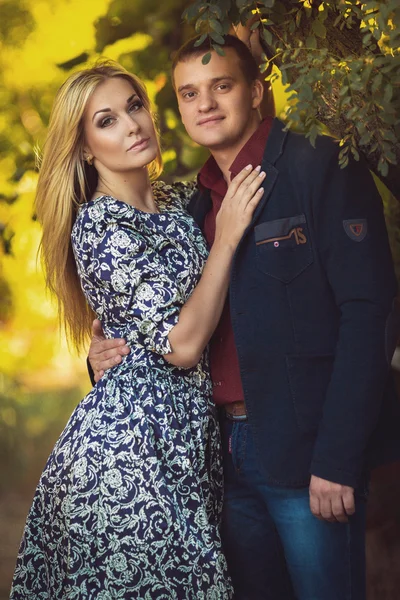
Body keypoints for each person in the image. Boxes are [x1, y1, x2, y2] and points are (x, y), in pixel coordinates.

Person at [90, 35, 400, 599]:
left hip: (309, 455)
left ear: (257, 91)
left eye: (222, 86)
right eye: (190, 93)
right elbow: (167, 321)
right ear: (179, 109)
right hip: (216, 461)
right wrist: (108, 351)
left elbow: (369, 315)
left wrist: (337, 456)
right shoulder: (192, 206)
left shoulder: (320, 164)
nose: (205, 103)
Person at [10, 60, 268, 598]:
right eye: (106, 121)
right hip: (128, 458)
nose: (131, 126)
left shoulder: (178, 200)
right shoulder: (100, 226)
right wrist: (226, 237)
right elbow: (183, 344)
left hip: (187, 443)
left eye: (134, 106)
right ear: (84, 147)